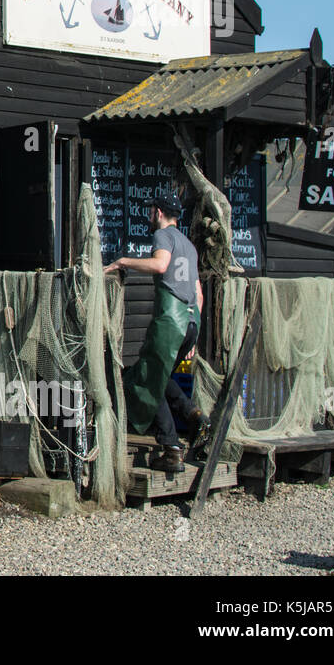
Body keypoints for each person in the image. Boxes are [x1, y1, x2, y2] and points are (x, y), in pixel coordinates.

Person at [105, 193, 210, 473]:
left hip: (171, 321)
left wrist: (122, 262)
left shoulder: (164, 237)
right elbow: (198, 293)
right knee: (160, 380)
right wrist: (193, 336)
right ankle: (194, 415)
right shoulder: (189, 245)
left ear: (160, 212)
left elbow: (160, 265)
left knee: (150, 381)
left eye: (152, 210)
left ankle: (171, 448)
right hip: (191, 322)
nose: (150, 215)